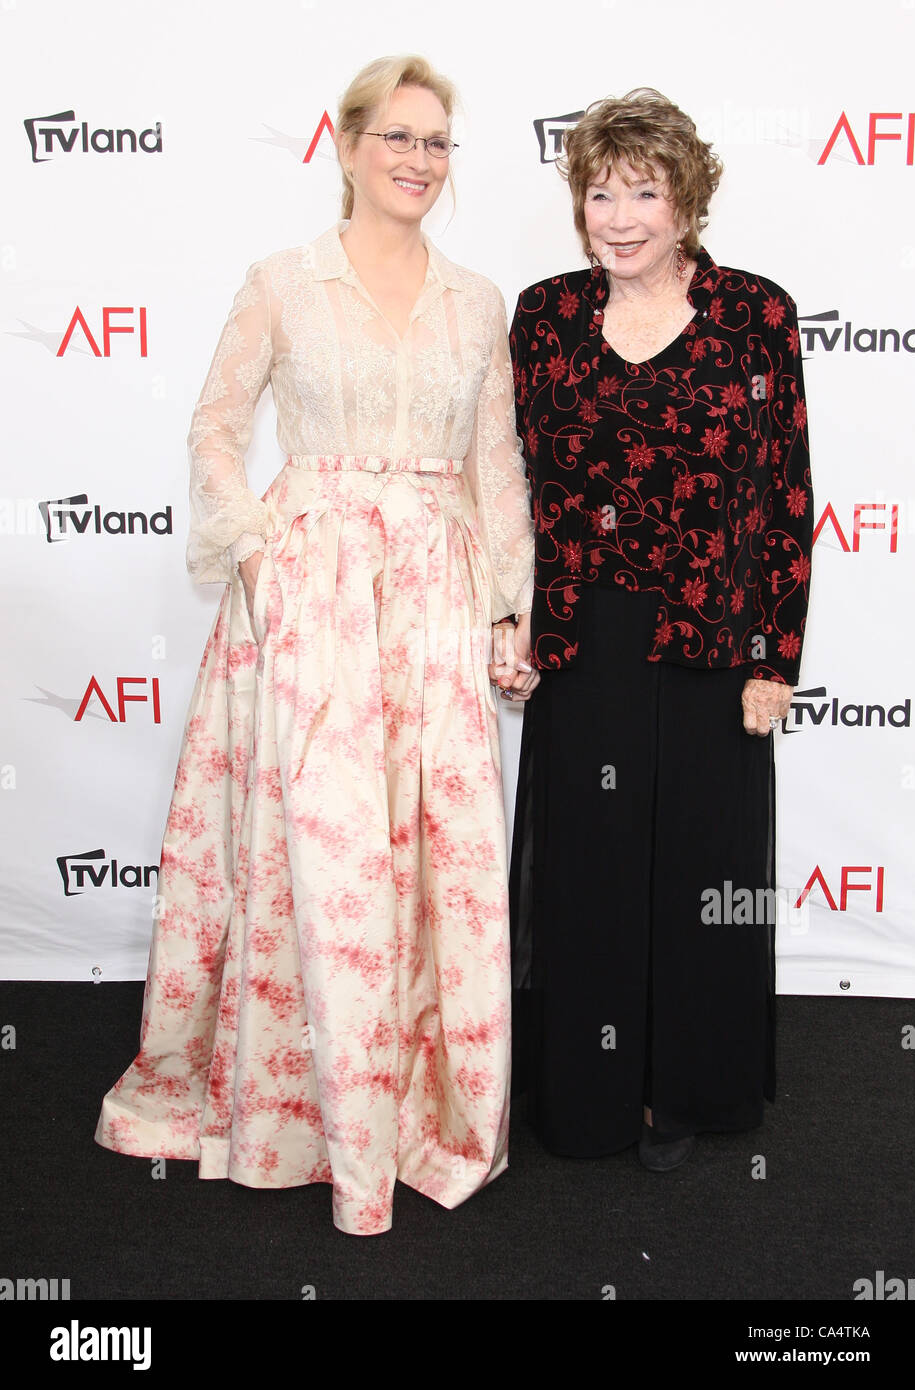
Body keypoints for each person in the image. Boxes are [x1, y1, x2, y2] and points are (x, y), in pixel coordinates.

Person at [95, 55, 537, 1235]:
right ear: (343, 147)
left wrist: (506, 612)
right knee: (325, 859)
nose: (416, 160)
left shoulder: (477, 299)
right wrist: (253, 553)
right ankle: (304, 1119)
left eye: (436, 142)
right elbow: (214, 425)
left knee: (429, 858)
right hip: (308, 604)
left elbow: (494, 467)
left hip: (434, 605)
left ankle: (411, 1117)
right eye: (395, 137)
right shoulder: (282, 283)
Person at [506, 88, 813, 1171]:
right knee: (588, 868)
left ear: (687, 203)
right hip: (583, 638)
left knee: (698, 873)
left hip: (711, 644)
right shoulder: (542, 315)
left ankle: (682, 1088)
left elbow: (783, 493)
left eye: (645, 190)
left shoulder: (754, 315)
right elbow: (508, 488)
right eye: (600, 190)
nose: (620, 213)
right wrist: (513, 618)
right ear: (576, 200)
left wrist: (774, 656)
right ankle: (588, 1095)